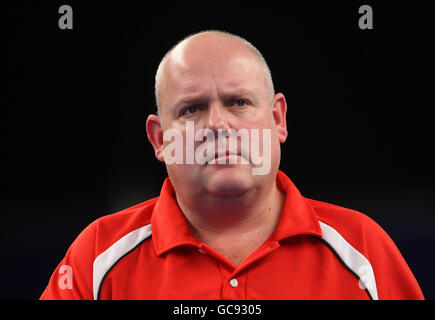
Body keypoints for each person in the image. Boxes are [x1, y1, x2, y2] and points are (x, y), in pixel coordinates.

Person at [40, 30, 424, 300]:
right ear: (159, 139)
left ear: (278, 119)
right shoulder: (97, 256)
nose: (218, 125)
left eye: (238, 102)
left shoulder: (363, 250)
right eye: (192, 109)